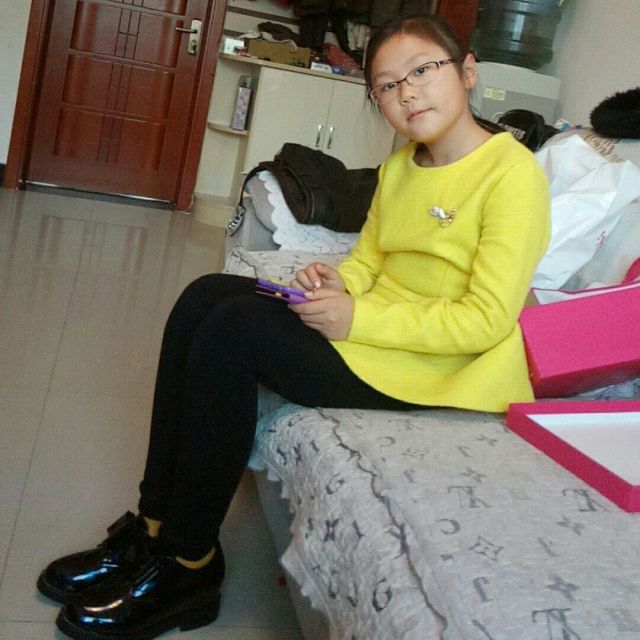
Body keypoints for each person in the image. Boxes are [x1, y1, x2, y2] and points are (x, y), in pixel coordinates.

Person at [37, 14, 550, 640]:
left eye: (422, 70)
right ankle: (153, 528)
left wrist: (358, 316)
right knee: (204, 297)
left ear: (467, 72)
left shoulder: (512, 174)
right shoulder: (402, 167)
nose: (408, 93)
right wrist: (340, 282)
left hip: (439, 367)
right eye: (388, 85)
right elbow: (371, 259)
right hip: (378, 335)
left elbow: (486, 319)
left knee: (234, 333)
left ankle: (189, 563)